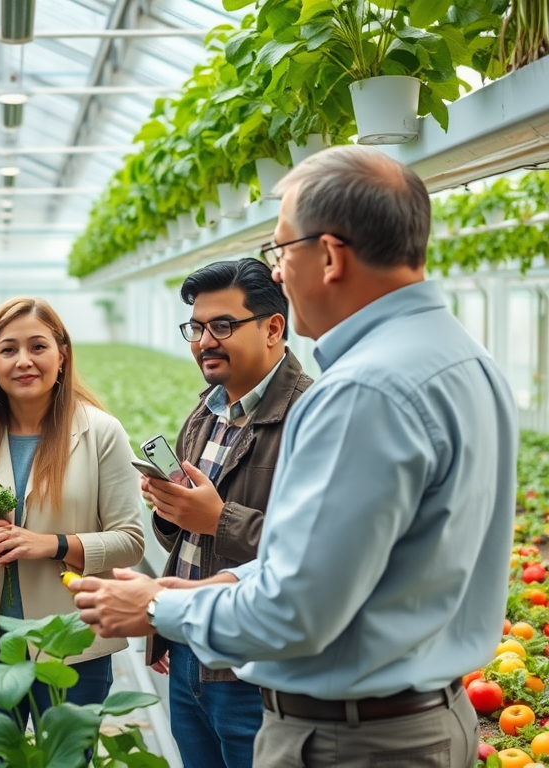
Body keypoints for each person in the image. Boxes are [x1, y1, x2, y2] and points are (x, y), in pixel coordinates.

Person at [71, 145, 518, 768]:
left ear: (330, 255)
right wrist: (213, 585)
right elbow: (347, 566)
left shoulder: (361, 391)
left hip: (351, 741)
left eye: (280, 250)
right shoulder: (464, 359)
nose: (277, 272)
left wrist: (154, 605)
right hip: (422, 717)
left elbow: (296, 610)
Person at [0, 297, 145, 725]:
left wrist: (51, 545)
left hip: (70, 645)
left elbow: (131, 542)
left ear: (62, 355)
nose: (23, 361)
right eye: (8, 349)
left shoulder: (101, 432)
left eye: (38, 347)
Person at [145, 257, 311, 768]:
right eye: (195, 327)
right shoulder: (206, 413)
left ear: (273, 328)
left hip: (252, 671)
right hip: (190, 645)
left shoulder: (309, 416)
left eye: (221, 325)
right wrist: (171, 510)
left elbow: (315, 555)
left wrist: (217, 518)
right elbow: (187, 540)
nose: (203, 341)